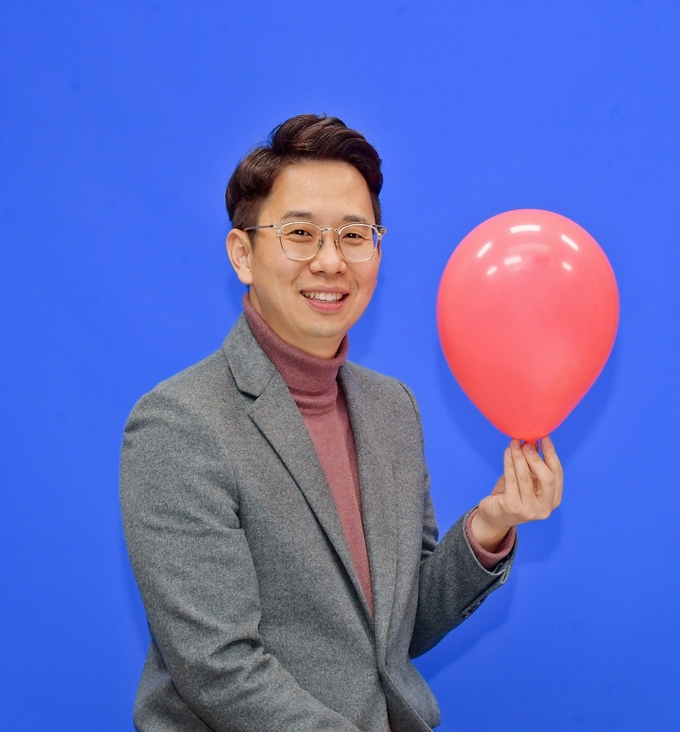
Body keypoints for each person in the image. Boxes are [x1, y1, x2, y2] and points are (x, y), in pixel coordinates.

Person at [120, 114, 563, 732]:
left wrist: (493, 523)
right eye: (300, 233)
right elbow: (218, 668)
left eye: (354, 235)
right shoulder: (179, 424)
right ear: (242, 254)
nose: (330, 261)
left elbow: (403, 630)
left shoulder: (392, 409)